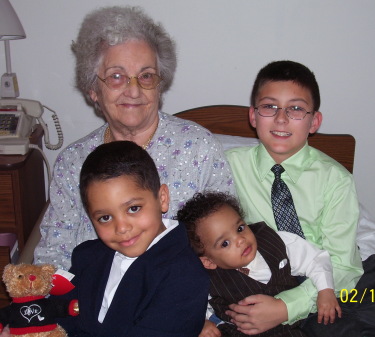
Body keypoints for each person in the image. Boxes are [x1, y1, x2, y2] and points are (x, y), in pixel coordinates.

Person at [225, 60, 375, 336]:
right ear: (253, 116)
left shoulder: (335, 178)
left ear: (314, 121)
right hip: (279, 281)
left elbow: (344, 265)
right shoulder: (227, 167)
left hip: (351, 277)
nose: (281, 118)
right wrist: (285, 304)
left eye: (296, 108)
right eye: (270, 106)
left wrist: (285, 307)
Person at [34, 6, 234, 271]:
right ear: (93, 89)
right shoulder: (73, 162)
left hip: (183, 301)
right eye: (117, 77)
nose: (134, 90)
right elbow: (53, 253)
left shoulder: (198, 148)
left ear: (159, 85)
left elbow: (229, 243)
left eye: (146, 76)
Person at [56, 140, 209, 336]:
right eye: (105, 217)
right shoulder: (87, 257)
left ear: (162, 199)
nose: (121, 227)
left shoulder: (186, 276)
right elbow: (58, 314)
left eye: (133, 208)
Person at [177, 191, 341, 337]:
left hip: (289, 329)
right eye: (225, 243)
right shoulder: (206, 279)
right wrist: (201, 324)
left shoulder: (275, 242)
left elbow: (315, 259)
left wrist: (325, 290)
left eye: (240, 228)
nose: (240, 240)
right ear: (208, 261)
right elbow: (189, 304)